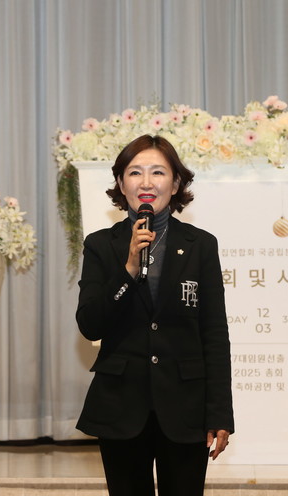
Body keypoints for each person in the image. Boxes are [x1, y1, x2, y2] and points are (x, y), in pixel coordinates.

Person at [76, 134, 234, 496]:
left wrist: (220, 413)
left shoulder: (200, 245)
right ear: (121, 184)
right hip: (120, 405)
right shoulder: (100, 245)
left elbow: (214, 333)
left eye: (158, 172)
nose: (146, 182)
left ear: (175, 184)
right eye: (135, 172)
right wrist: (129, 268)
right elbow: (90, 324)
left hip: (186, 406)